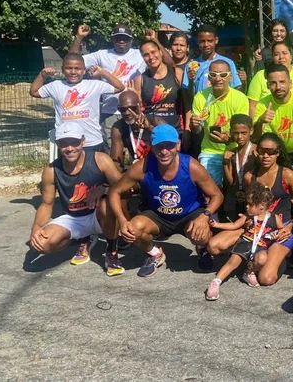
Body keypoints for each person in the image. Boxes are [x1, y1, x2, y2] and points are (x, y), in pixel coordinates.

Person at [108, 125, 224, 277]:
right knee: (133, 229)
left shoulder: (191, 166)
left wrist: (205, 216)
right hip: (158, 216)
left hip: (190, 214)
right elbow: (114, 191)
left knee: (201, 233)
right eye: (159, 146)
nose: (164, 151)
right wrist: (123, 221)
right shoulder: (142, 166)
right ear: (152, 146)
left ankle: (203, 251)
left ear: (178, 145)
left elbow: (217, 195)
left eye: (169, 146)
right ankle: (154, 254)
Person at [27, 123, 125, 275]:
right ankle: (80, 239)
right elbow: (46, 204)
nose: (70, 148)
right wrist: (36, 228)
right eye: (64, 143)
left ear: (83, 142)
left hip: (99, 215)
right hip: (73, 218)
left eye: (74, 142)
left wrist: (104, 188)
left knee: (108, 204)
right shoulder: (51, 170)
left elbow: (124, 188)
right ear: (58, 144)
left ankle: (111, 251)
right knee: (41, 245)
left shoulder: (100, 160)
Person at [205, 181, 293, 299]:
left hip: (262, 246)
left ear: (261, 206)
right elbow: (234, 226)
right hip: (246, 241)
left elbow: (281, 230)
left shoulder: (275, 218)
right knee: (233, 261)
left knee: (262, 258)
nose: (246, 206)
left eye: (250, 204)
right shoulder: (248, 217)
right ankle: (216, 282)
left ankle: (248, 272)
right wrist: (217, 225)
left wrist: (278, 234)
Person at [70, 24, 150, 148]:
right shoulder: (102, 55)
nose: (121, 41)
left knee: (137, 148)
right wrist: (79, 37)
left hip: (135, 110)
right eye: (118, 38)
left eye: (125, 38)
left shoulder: (140, 55)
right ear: (112, 40)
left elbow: (163, 63)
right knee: (112, 149)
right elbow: (73, 59)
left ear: (131, 40)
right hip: (110, 111)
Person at [30, 53, 125, 153]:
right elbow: (34, 92)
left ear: (84, 70)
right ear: (62, 70)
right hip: (67, 143)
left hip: (92, 140)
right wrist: (42, 75)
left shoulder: (94, 85)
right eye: (68, 68)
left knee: (95, 168)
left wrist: (102, 72)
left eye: (77, 68)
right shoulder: (55, 86)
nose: (73, 72)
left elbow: (120, 87)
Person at [244, 133, 293, 269]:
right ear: (256, 152)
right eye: (262, 151)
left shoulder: (287, 174)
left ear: (278, 153)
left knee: (266, 278)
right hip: (258, 226)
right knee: (215, 246)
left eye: (271, 152)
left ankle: (288, 251)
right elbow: (248, 203)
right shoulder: (249, 177)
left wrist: (291, 226)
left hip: (282, 227)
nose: (266, 156)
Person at [190, 60, 250, 187]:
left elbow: (243, 132)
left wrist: (228, 139)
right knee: (208, 188)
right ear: (208, 77)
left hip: (236, 148)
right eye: (213, 74)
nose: (218, 79)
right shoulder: (200, 97)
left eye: (223, 75)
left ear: (230, 77)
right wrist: (194, 125)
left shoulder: (240, 98)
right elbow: (197, 131)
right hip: (210, 150)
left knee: (239, 187)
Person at [253, 64, 293, 167]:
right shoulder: (262, 105)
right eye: (273, 83)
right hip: (275, 155)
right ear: (267, 85)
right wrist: (260, 122)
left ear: (290, 83)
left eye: (282, 82)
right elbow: (256, 139)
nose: (278, 87)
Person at [247, 41, 293, 114]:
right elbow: (252, 106)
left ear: (291, 56)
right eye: (276, 54)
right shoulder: (260, 76)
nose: (281, 57)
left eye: (284, 53)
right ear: (272, 57)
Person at [140, 39, 188, 138]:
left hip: (177, 132)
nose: (151, 57)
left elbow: (187, 105)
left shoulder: (177, 74)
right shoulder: (140, 79)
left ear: (161, 52)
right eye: (146, 55)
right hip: (153, 133)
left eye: (153, 52)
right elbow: (139, 110)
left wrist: (187, 130)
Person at [183, 24, 243, 97]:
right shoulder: (191, 66)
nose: (206, 44)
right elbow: (187, 93)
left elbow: (236, 87)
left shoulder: (227, 63)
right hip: (200, 107)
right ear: (197, 42)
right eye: (202, 41)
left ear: (216, 40)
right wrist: (191, 81)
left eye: (210, 41)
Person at [221, 114, 256, 221]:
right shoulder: (231, 153)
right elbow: (231, 182)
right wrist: (225, 163)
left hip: (254, 196)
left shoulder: (256, 151)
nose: (240, 137)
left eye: (243, 133)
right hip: (237, 197)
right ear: (231, 132)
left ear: (251, 131)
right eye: (236, 133)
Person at [109, 90, 152, 170]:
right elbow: (117, 164)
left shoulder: (155, 121)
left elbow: (170, 145)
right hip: (136, 170)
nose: (127, 113)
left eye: (132, 108)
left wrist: (149, 128)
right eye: (122, 109)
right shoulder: (119, 128)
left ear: (139, 106)